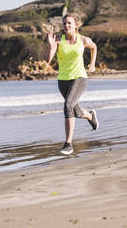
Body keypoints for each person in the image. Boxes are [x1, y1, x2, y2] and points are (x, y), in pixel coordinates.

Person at [46, 15, 99, 155]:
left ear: (76, 25)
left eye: (69, 23)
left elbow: (94, 47)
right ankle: (90, 116)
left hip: (79, 78)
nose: (66, 25)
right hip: (63, 80)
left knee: (68, 105)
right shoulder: (58, 40)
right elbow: (48, 59)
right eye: (64, 23)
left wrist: (92, 64)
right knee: (75, 111)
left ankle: (68, 144)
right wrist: (51, 46)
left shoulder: (83, 39)